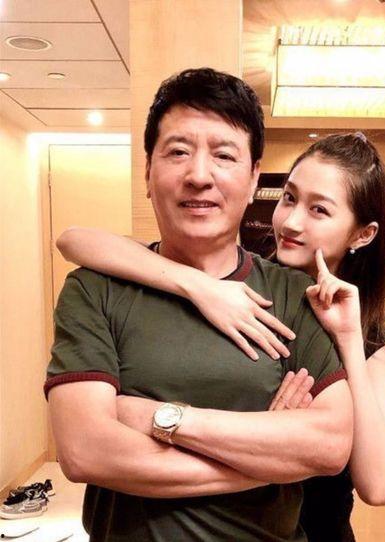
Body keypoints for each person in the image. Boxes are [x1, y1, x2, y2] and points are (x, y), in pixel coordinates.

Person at [46, 67, 353, 542]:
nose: (199, 176)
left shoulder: (294, 294)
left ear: (253, 179)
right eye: (178, 152)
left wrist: (161, 418)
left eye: (224, 155)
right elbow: (85, 451)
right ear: (147, 172)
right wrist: (267, 459)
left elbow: (329, 445)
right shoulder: (95, 289)